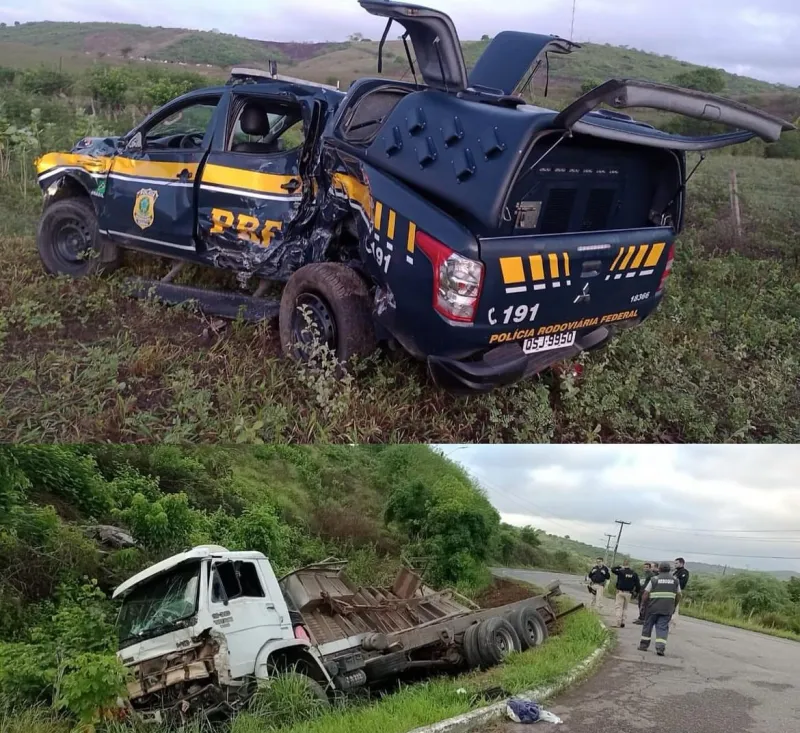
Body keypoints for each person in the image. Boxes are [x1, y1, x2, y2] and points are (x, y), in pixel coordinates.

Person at [638, 561, 681, 656]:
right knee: (662, 628)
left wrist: (642, 604)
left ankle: (643, 646)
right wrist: (674, 606)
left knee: (648, 626)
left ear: (659, 569)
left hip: (652, 608)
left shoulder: (654, 579)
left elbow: (646, 593)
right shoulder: (675, 580)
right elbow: (678, 595)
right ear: (669, 569)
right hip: (667, 609)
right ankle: (660, 648)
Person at [610, 559, 641, 627]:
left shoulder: (621, 572)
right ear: (630, 565)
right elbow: (638, 585)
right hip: (629, 593)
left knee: (619, 607)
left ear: (623, 564)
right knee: (625, 608)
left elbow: (612, 569)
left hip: (620, 592)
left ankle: (618, 622)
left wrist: (619, 567)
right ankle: (623, 621)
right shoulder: (634, 573)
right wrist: (636, 592)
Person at [672, 557, 690, 628]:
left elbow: (682, 583)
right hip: (672, 591)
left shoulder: (684, 572)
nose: (675, 565)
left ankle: (673, 622)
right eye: (675, 563)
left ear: (681, 563)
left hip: (677, 591)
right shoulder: (676, 572)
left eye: (676, 563)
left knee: (674, 608)